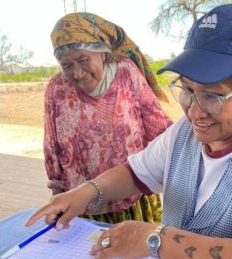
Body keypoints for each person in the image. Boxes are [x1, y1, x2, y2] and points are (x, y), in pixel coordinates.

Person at [27, 4, 232, 259]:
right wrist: (85, 192)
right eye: (187, 90)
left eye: (213, 95)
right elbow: (135, 173)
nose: (194, 111)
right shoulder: (185, 133)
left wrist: (154, 239)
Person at [44, 12, 172, 224]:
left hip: (131, 196)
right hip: (81, 202)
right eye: (67, 65)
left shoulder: (126, 73)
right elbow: (52, 145)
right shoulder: (57, 87)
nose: (77, 73)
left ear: (102, 53)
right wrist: (57, 194)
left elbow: (157, 125)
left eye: (83, 60)